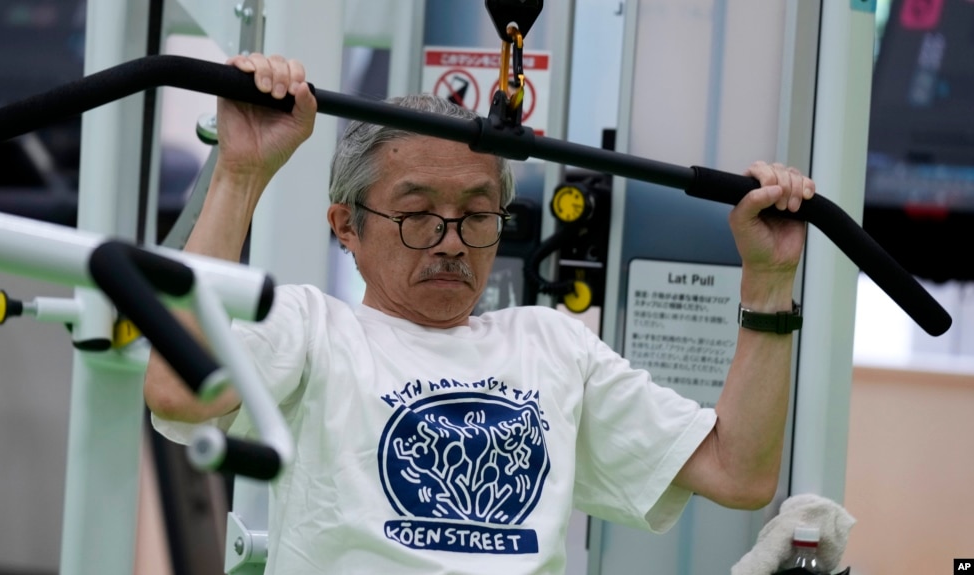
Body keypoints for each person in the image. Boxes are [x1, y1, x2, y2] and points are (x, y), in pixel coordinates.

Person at [145, 53, 815, 575]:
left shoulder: (549, 343)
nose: (449, 240)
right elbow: (177, 393)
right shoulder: (311, 328)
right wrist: (241, 172)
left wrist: (769, 277)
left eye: (474, 215)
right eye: (415, 215)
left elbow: (738, 470)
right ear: (346, 227)